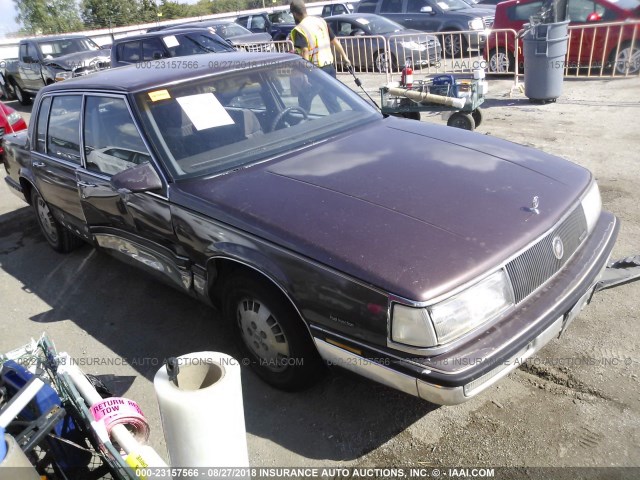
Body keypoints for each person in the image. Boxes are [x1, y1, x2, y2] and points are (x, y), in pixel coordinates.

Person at [289, 0, 351, 78]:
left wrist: (306, 73)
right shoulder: (321, 21)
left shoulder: (300, 29)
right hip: (329, 66)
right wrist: (345, 58)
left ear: (294, 14)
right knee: (330, 90)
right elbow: (334, 40)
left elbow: (305, 51)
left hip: (314, 70)